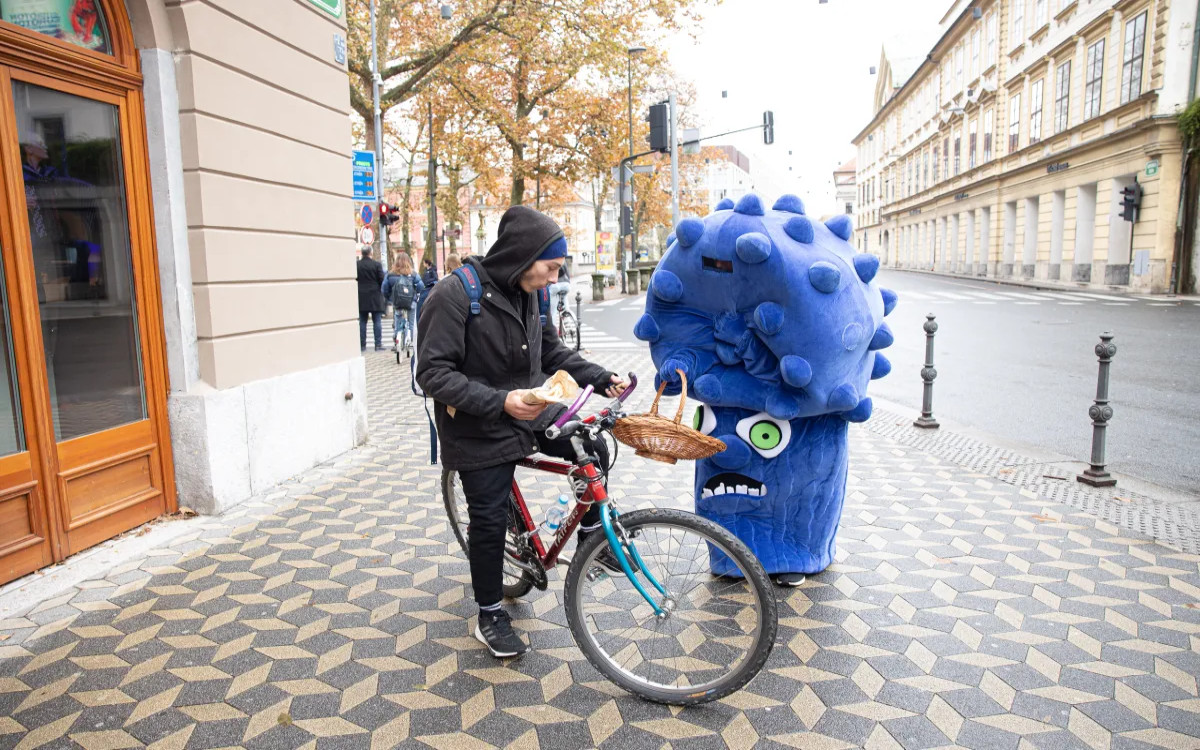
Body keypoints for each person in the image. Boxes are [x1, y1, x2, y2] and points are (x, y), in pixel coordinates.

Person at [416, 206, 627, 659]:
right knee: (489, 521)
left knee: (589, 442)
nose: (553, 278)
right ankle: (490, 612)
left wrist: (600, 376)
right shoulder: (453, 296)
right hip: (476, 425)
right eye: (550, 268)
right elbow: (431, 373)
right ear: (523, 256)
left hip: (529, 410)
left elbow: (549, 349)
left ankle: (592, 537)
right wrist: (498, 401)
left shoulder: (528, 292)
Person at [382, 253, 423, 355]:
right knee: (412, 324)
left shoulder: (390, 275)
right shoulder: (413, 274)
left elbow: (384, 289)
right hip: (411, 303)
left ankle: (397, 340)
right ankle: (413, 344)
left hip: (397, 303)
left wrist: (390, 299)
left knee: (398, 323)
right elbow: (421, 286)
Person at [356, 247, 386, 352]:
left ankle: (362, 345)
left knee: (362, 322)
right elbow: (382, 280)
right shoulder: (376, 265)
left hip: (361, 296)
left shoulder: (357, 265)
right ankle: (378, 344)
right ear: (371, 253)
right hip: (375, 296)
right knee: (377, 321)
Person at [547, 259, 572, 329]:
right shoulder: (563, 260)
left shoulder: (551, 260)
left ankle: (554, 329)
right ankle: (567, 320)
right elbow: (568, 274)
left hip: (554, 286)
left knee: (553, 310)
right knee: (565, 297)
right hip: (566, 285)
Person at [416, 256, 439, 321]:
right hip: (426, 287)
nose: (423, 265)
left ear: (426, 263)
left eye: (424, 263)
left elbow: (435, 278)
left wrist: (428, 281)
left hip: (430, 288)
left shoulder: (432, 270)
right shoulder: (426, 270)